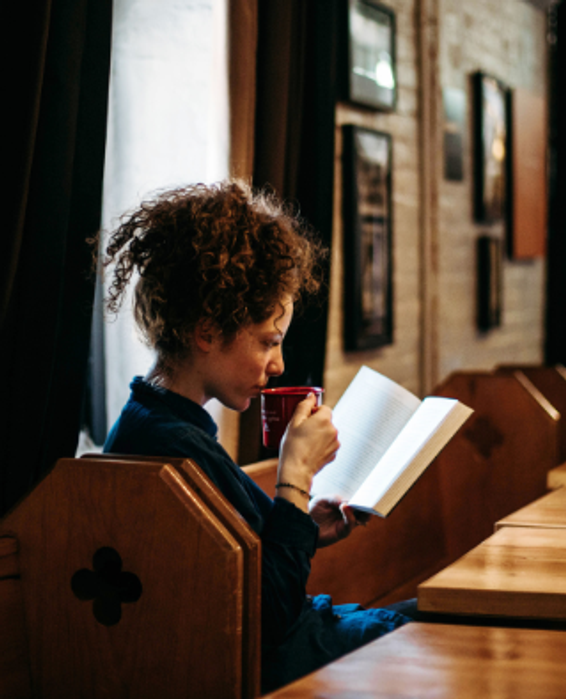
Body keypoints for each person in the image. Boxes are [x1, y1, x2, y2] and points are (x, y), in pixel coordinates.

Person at [99, 181, 411, 691]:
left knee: (447, 614)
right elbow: (262, 621)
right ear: (206, 331)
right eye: (268, 341)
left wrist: (304, 526)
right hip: (279, 665)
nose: (279, 364)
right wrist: (294, 478)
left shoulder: (162, 423)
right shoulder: (166, 446)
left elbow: (236, 564)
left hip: (299, 642)